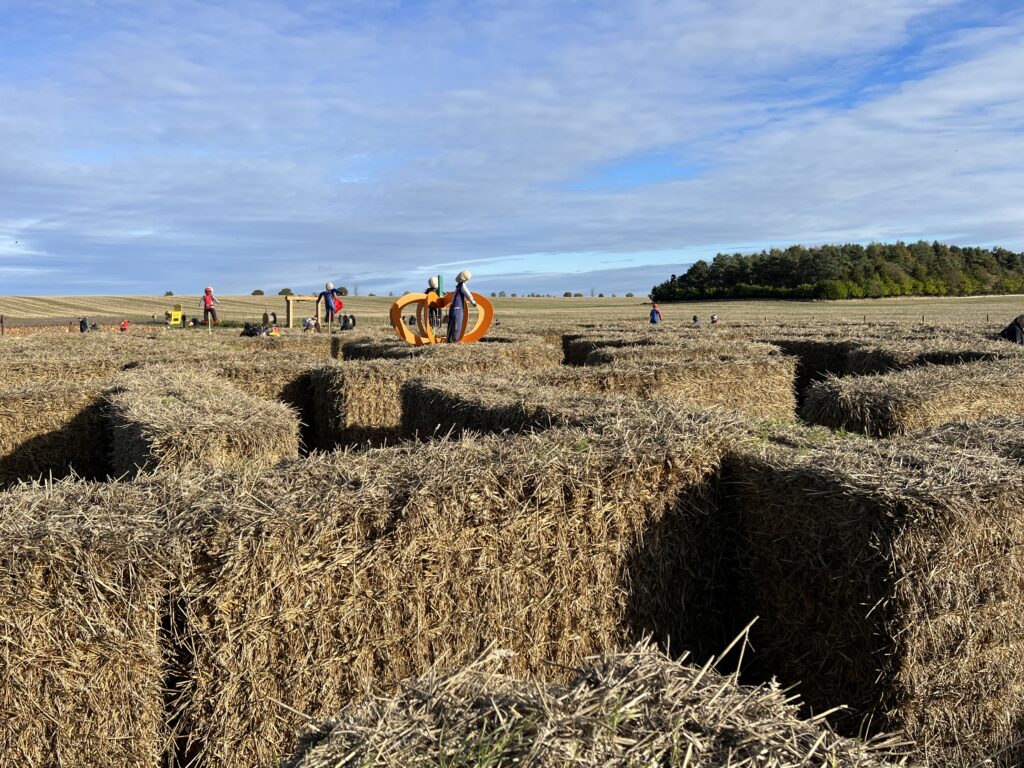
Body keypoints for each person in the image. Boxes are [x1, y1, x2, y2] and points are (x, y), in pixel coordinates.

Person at [447, 270, 477, 343]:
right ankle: (450, 338)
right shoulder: (458, 287)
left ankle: (454, 339)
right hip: (454, 307)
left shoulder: (462, 286)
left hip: (458, 308)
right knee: (452, 322)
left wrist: (473, 302)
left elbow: (468, 294)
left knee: (456, 323)